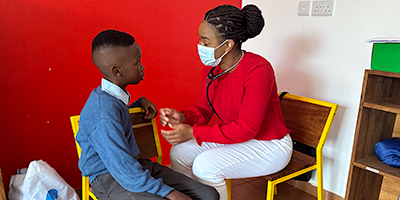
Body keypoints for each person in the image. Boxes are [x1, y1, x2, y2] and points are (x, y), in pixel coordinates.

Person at [159, 4, 293, 200]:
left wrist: (193, 132)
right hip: (236, 137)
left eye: (205, 42)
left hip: (269, 145)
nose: (200, 46)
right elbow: (204, 109)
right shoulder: (213, 69)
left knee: (205, 166)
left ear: (228, 45)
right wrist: (183, 117)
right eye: (200, 39)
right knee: (178, 152)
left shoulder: (258, 70)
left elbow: (247, 128)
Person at [76, 29, 219, 200]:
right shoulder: (103, 114)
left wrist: (138, 104)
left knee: (209, 195)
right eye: (137, 63)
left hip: (135, 166)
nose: (142, 67)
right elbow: (121, 166)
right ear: (117, 71)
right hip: (109, 178)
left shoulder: (112, 98)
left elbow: (116, 119)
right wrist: (170, 193)